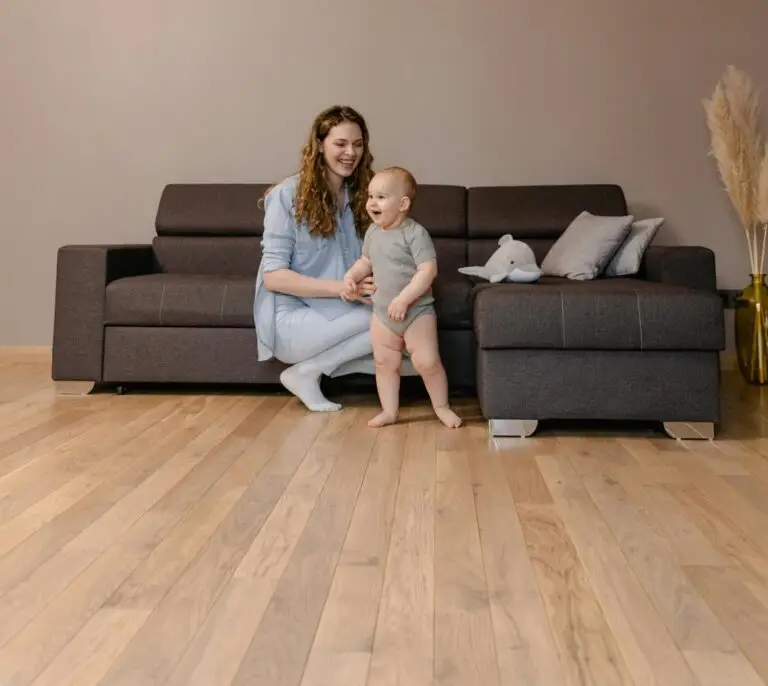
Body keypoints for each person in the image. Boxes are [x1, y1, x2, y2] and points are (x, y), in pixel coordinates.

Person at [252, 105, 379, 412]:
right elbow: (273, 277)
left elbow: (375, 254)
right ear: (320, 145)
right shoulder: (287, 195)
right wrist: (343, 288)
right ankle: (310, 370)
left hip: (341, 309)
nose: (351, 153)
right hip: (292, 319)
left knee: (413, 330)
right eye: (340, 144)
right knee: (391, 321)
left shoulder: (363, 194)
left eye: (358, 144)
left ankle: (310, 371)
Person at [343, 167, 462, 429]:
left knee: (426, 362)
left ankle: (441, 407)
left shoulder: (415, 233)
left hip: (416, 311)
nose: (372, 203)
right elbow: (366, 261)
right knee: (384, 363)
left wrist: (404, 299)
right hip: (383, 313)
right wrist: (351, 275)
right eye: (370, 196)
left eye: (381, 197)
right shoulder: (373, 233)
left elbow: (428, 270)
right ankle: (389, 411)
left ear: (403, 204)